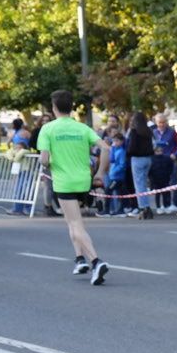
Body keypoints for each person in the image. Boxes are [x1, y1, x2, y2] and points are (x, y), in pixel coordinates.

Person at [37, 90, 111, 282]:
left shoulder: (48, 129)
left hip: (64, 182)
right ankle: (80, 259)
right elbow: (105, 147)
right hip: (84, 180)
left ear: (54, 108)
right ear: (71, 107)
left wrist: (45, 162)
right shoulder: (82, 128)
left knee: (75, 223)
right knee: (73, 221)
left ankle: (96, 261)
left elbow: (44, 160)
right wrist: (101, 172)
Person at [127, 109, 154, 218]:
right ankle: (146, 205)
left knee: (139, 184)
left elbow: (132, 147)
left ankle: (143, 207)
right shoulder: (148, 131)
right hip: (148, 158)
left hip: (137, 159)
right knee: (143, 183)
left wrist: (128, 153)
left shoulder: (134, 131)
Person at [152, 114, 177, 213]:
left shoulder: (172, 132)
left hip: (169, 160)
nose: (162, 124)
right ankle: (161, 205)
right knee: (159, 184)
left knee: (173, 182)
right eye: (160, 122)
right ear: (156, 123)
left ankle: (174, 203)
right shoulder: (153, 132)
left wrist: (174, 153)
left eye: (164, 122)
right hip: (158, 161)